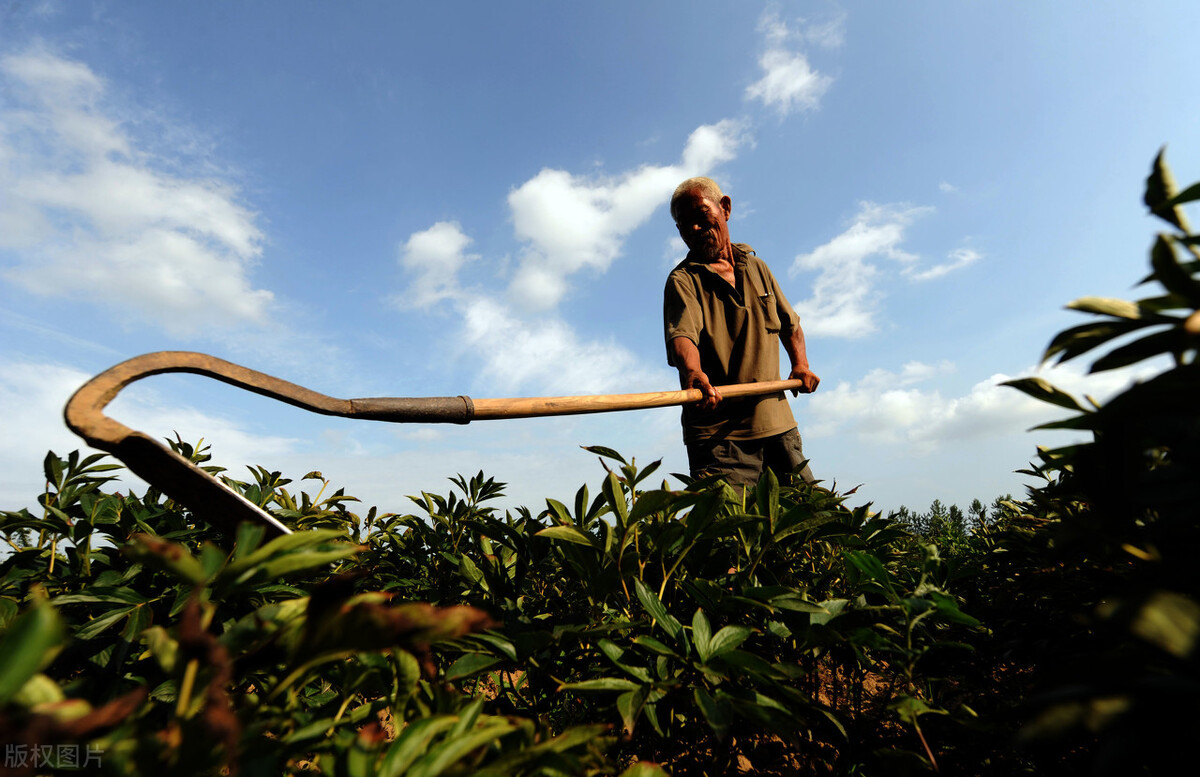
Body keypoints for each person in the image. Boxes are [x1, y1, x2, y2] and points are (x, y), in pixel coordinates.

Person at [662, 176, 820, 489]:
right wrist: (693, 372)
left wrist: (800, 364)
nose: (694, 228)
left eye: (701, 216)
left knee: (811, 520)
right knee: (733, 530)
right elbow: (683, 336)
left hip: (777, 423)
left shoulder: (757, 267)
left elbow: (791, 324)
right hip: (720, 439)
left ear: (725, 208)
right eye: (684, 224)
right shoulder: (683, 280)